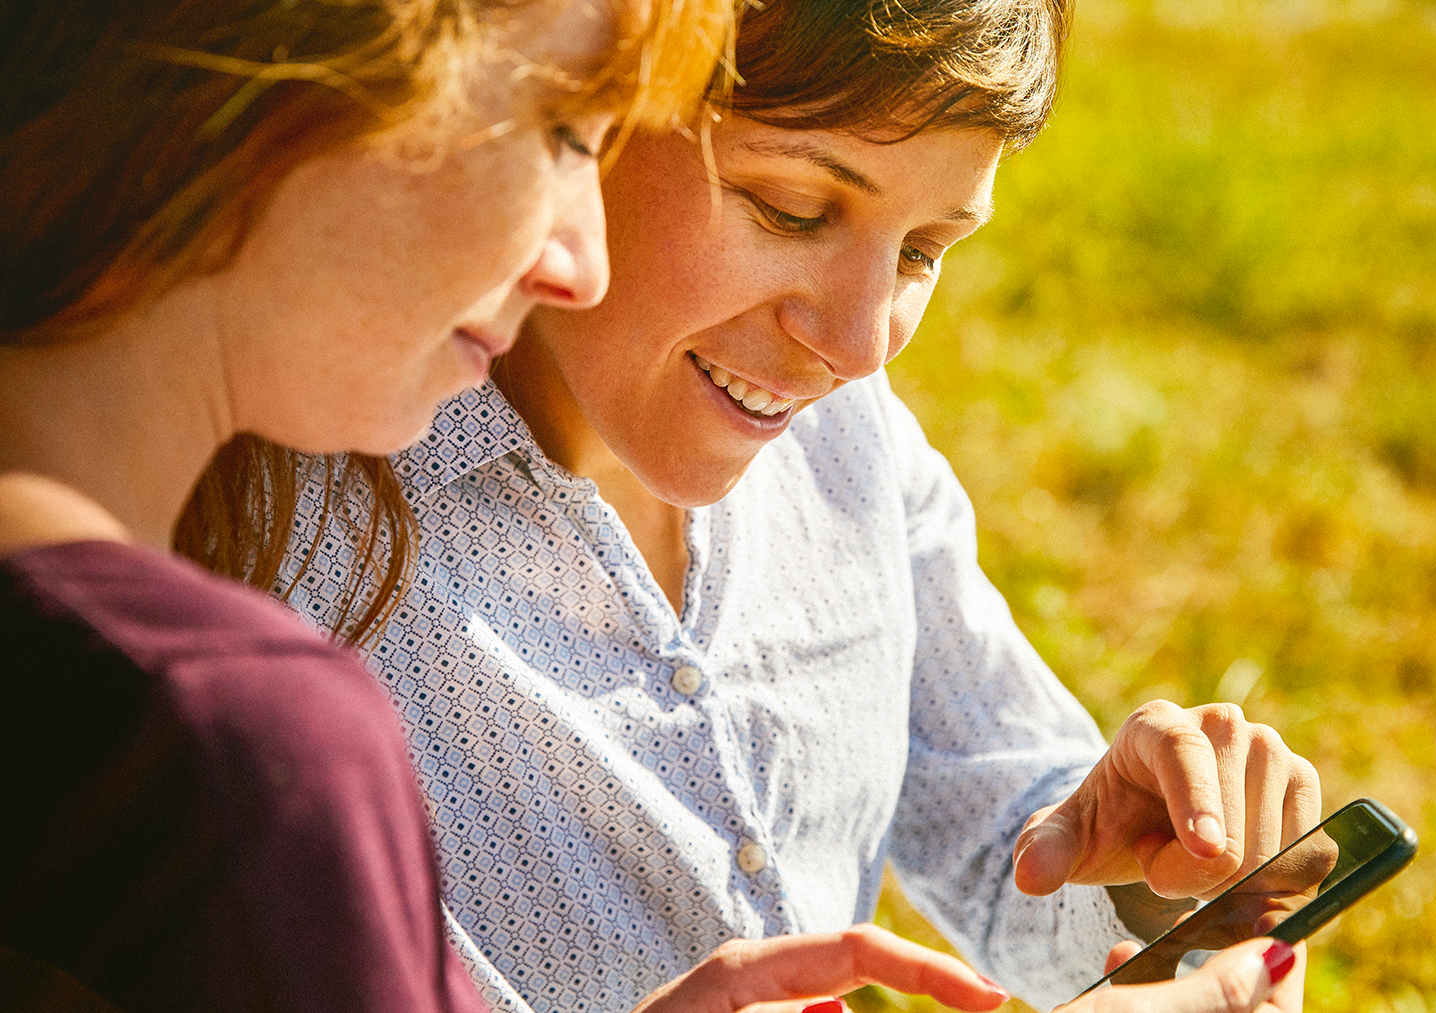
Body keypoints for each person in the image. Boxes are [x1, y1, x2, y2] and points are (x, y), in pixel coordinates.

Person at [273, 0, 1324, 1010]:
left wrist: (1153, 863)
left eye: (923, 250)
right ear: (582, 111)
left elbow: (1001, 815)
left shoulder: (849, 445)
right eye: (792, 209)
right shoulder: (286, 540)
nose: (860, 344)